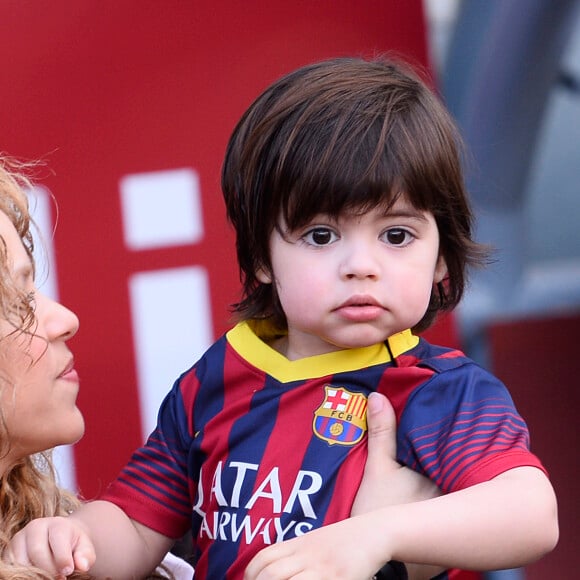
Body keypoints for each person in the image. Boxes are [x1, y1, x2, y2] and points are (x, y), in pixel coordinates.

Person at [6, 56, 558, 579]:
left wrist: (378, 534)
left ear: (441, 257)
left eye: (397, 235)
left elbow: (530, 514)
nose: (361, 267)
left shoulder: (439, 390)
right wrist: (70, 540)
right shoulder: (214, 378)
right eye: (321, 236)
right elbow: (136, 522)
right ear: (261, 257)